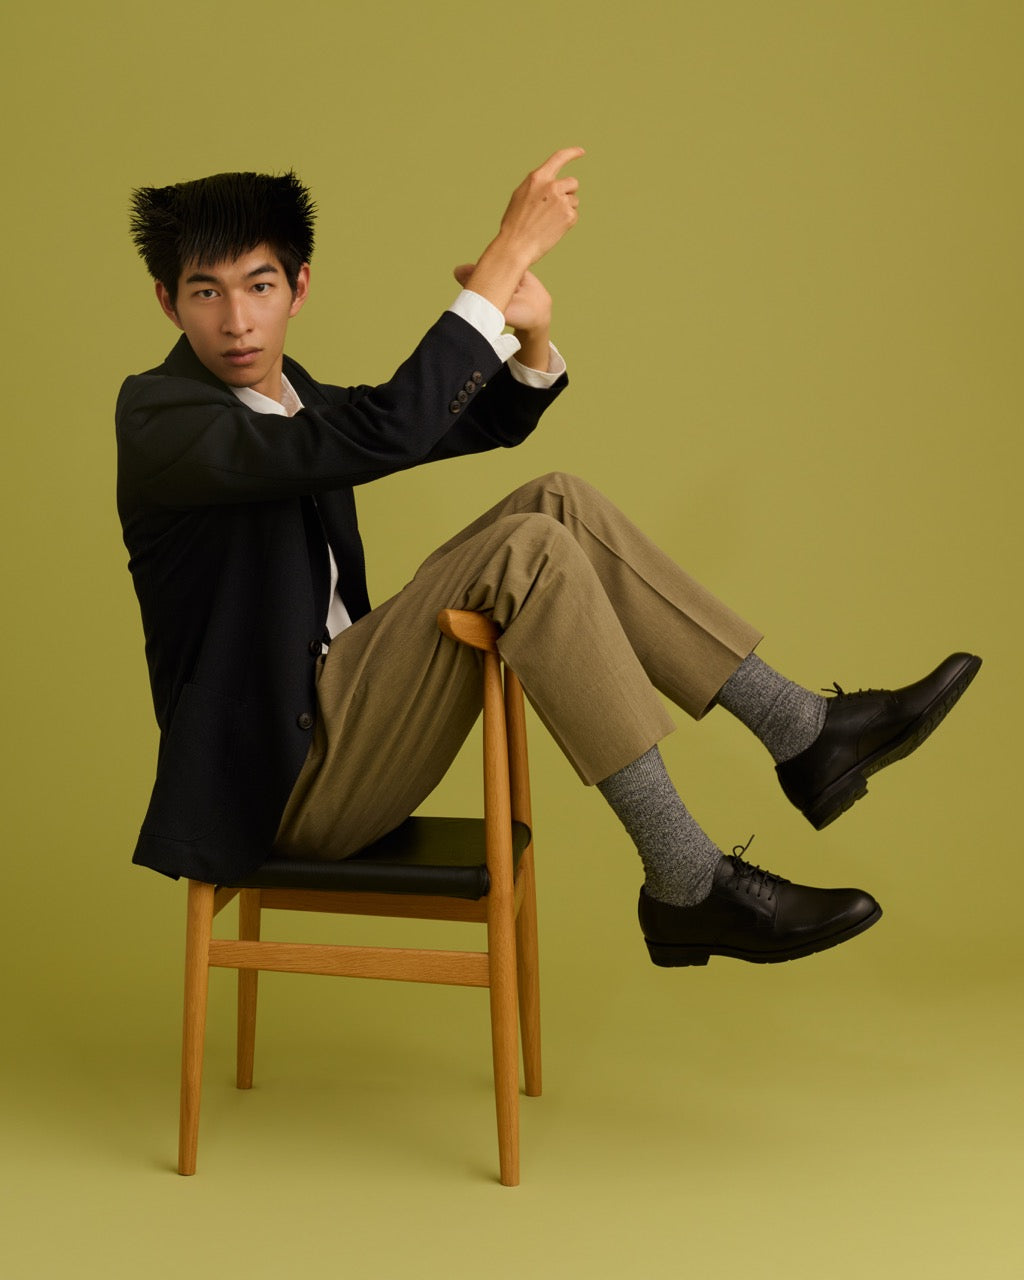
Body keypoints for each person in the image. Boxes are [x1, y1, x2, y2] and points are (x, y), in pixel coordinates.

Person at [117, 150, 980, 969]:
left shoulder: (293, 399)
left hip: (351, 725)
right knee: (525, 550)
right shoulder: (161, 419)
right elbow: (389, 429)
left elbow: (457, 421)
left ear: (298, 288)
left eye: (259, 286)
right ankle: (685, 875)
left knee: (555, 501)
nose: (237, 320)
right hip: (278, 786)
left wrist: (528, 340)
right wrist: (504, 258)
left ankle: (804, 731)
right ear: (168, 302)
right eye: (207, 292)